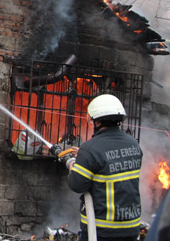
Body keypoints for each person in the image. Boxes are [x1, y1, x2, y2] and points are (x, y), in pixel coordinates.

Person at [66, 94, 143, 241]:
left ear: (98, 122)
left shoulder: (90, 149)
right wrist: (85, 155)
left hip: (101, 231)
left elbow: (77, 184)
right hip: (131, 227)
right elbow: (111, 161)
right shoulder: (134, 144)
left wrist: (72, 165)